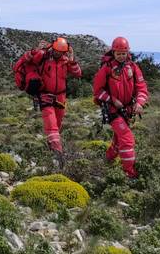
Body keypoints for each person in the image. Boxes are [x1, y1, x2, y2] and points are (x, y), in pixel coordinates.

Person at [19, 37, 82, 167]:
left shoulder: (66, 60)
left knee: (58, 123)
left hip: (60, 97)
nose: (58, 53)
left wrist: (72, 60)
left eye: (61, 52)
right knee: (51, 123)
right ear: (53, 48)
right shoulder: (43, 57)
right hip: (45, 95)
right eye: (56, 50)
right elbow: (26, 59)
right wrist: (35, 50)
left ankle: (51, 145)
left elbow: (78, 74)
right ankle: (57, 152)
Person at [93, 37, 149, 179]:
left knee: (119, 140)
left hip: (127, 111)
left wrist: (140, 103)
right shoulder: (106, 68)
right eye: (118, 53)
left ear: (128, 52)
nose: (121, 56)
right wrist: (112, 100)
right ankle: (129, 174)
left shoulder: (133, 67)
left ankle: (108, 159)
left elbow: (142, 88)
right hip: (112, 111)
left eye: (124, 53)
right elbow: (97, 91)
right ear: (113, 52)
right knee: (127, 139)